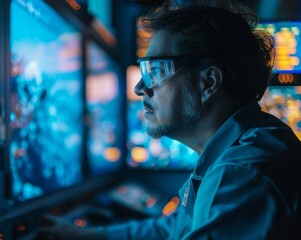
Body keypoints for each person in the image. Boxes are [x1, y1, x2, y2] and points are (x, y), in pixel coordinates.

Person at [40, 3, 301, 240]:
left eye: (155, 71)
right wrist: (88, 236)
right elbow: (172, 228)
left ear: (208, 82)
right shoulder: (229, 154)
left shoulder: (241, 173)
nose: (140, 88)